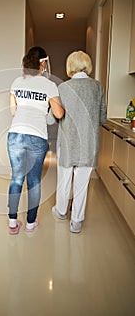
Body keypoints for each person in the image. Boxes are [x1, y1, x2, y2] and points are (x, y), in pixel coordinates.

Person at [7, 46, 64, 234]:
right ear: (43, 63)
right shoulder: (49, 85)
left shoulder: (16, 82)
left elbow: (13, 111)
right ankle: (31, 223)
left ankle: (13, 223)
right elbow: (58, 113)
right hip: (37, 136)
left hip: (15, 133)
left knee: (16, 178)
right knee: (34, 181)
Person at [52, 50, 106, 233]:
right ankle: (76, 221)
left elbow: (56, 117)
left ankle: (60, 211)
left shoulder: (63, 88)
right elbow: (102, 118)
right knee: (82, 183)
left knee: (64, 179)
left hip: (68, 142)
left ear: (70, 67)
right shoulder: (97, 87)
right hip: (89, 143)